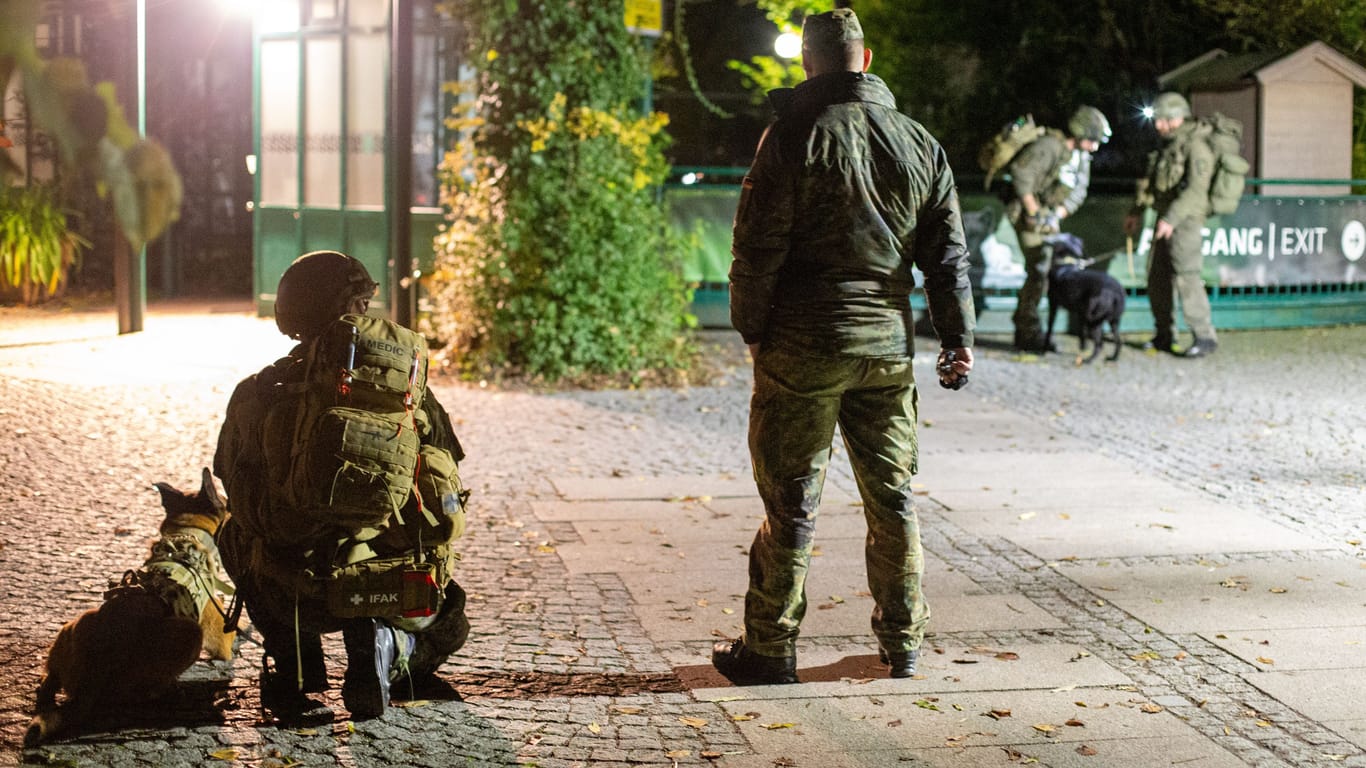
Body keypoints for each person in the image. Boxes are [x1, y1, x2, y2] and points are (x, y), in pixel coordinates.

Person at [713, 8, 975, 685]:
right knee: (893, 496)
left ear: (808, 64)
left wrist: (751, 328)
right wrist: (958, 337)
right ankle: (904, 640)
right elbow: (947, 255)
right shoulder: (919, 142)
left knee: (792, 500)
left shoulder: (790, 136)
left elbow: (756, 249)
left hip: (802, 345)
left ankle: (770, 646)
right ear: (865, 59)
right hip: (886, 345)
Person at [214, 251, 470, 720]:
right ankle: (388, 644)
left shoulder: (260, 390)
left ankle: (292, 668)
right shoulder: (410, 392)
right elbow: (447, 469)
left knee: (231, 532)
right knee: (451, 612)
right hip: (391, 584)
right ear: (360, 308)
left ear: (290, 316)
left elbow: (233, 479)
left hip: (296, 589)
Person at [1005, 105, 1111, 352]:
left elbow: (1078, 192)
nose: (1095, 147)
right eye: (1093, 140)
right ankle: (1027, 331)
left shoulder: (1082, 158)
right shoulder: (1050, 147)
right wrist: (1034, 212)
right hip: (1028, 216)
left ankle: (1031, 327)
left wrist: (1056, 216)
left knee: (1048, 272)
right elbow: (1022, 175)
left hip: (1048, 218)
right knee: (1038, 270)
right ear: (1081, 133)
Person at [1125, 92, 1218, 358]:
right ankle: (1164, 334)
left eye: (1163, 120)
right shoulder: (1168, 146)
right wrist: (1137, 211)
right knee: (1157, 277)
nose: (1158, 126)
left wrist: (1170, 220)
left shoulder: (1197, 146)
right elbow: (1152, 184)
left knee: (1187, 276)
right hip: (1165, 219)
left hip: (1185, 221)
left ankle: (1204, 336)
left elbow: (1196, 192)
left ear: (1177, 119)